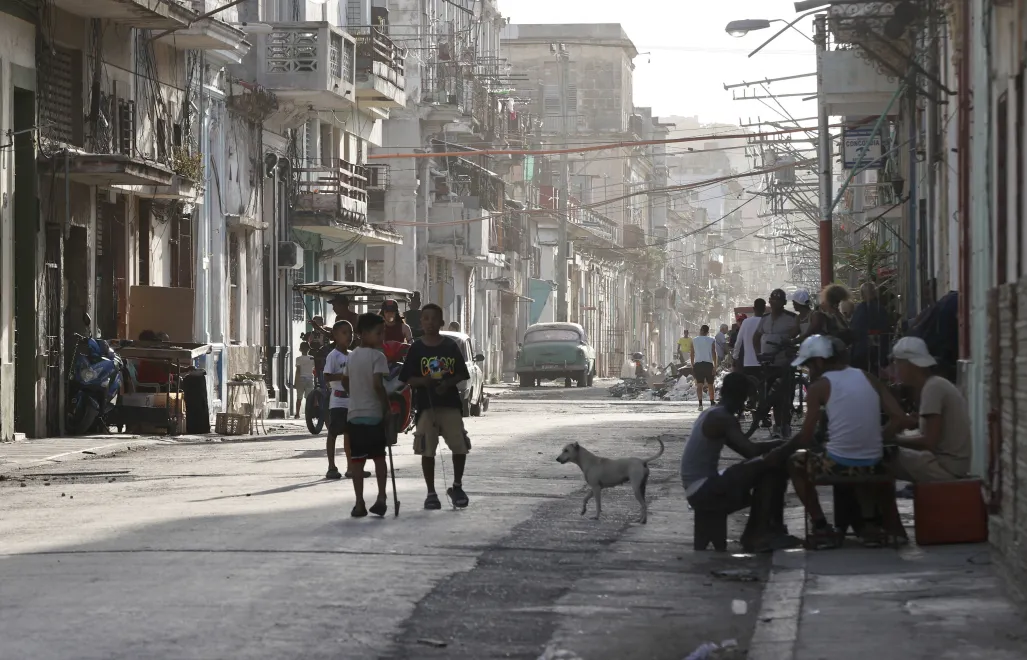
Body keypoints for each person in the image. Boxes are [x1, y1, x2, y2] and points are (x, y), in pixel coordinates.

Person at [787, 335, 907, 548]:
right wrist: (876, 437)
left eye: (808, 366)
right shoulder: (868, 377)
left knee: (796, 462)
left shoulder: (818, 388)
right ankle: (869, 524)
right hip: (874, 461)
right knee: (854, 458)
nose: (808, 372)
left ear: (819, 362)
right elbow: (898, 417)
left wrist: (784, 448)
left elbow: (805, 436)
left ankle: (821, 525)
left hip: (838, 463)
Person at [680, 372, 800, 553]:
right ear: (739, 396)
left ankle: (760, 531)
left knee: (765, 468)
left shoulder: (713, 413)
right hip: (702, 488)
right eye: (745, 399)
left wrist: (777, 445)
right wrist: (788, 445)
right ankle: (759, 533)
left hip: (698, 486)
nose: (744, 405)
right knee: (771, 469)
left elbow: (745, 450)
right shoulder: (722, 418)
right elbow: (750, 451)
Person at [399, 303, 472, 510]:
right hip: (425, 407)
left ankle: (457, 486)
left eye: (434, 319)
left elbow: (462, 374)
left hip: (450, 405)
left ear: (441, 322)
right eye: (426, 318)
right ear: (421, 323)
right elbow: (407, 378)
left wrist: (447, 383)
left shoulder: (450, 346)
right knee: (427, 450)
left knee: (460, 446)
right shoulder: (417, 348)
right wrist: (424, 382)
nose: (430, 322)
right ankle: (431, 493)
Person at [885, 337, 972, 482]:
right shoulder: (936, 384)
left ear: (910, 364)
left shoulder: (933, 388)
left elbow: (929, 441)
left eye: (897, 363)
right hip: (954, 464)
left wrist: (894, 440)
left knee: (884, 456)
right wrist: (917, 423)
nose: (895, 368)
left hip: (946, 467)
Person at [341, 313, 392, 517]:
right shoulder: (378, 357)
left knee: (357, 461)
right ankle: (381, 497)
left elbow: (345, 381)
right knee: (379, 458)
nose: (382, 337)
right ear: (363, 334)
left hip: (354, 415)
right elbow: (378, 385)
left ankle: (359, 502)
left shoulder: (351, 356)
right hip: (374, 415)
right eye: (378, 333)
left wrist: (354, 394)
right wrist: (387, 407)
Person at [753, 289, 800, 437]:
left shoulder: (792, 318)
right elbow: (756, 336)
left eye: (778, 301)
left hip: (785, 363)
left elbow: (797, 335)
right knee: (769, 396)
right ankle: (776, 425)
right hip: (768, 363)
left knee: (785, 397)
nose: (775, 303)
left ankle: (784, 425)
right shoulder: (765, 319)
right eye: (772, 300)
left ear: (784, 303)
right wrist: (757, 354)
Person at [850, 282, 891, 375]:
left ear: (862, 295)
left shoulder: (860, 309)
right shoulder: (881, 309)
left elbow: (854, 329)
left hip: (862, 351)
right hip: (878, 351)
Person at [733, 299, 766, 373]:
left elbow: (738, 341)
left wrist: (735, 357)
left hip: (748, 362)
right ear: (764, 309)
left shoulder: (746, 322)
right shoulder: (767, 321)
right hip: (764, 362)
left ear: (754, 309)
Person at [691, 325, 718, 411]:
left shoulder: (694, 340)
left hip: (698, 364)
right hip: (708, 364)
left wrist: (692, 364)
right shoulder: (712, 340)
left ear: (701, 330)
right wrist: (715, 365)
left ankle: (700, 404)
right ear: (707, 331)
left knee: (699, 384)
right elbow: (714, 353)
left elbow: (692, 353)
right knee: (710, 384)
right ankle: (712, 402)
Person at [294, 342, 315, 419]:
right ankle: (308, 413)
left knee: (299, 398)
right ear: (309, 349)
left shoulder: (298, 359)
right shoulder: (312, 358)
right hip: (310, 379)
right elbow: (314, 369)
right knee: (309, 398)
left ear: (300, 349)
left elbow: (298, 371)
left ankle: (297, 414)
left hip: (301, 379)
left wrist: (295, 382)